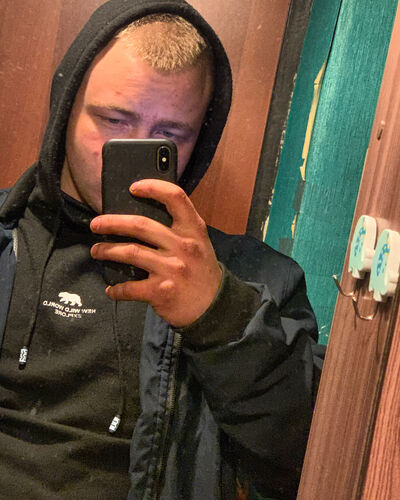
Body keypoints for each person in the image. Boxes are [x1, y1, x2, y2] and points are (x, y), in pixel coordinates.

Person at [0, 1, 322, 499]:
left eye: (169, 136)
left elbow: (311, 460)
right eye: (113, 119)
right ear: (64, 110)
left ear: (200, 140)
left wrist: (220, 316)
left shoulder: (258, 280)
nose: (134, 148)